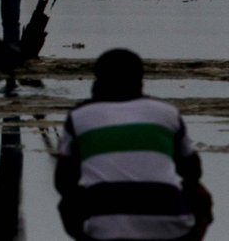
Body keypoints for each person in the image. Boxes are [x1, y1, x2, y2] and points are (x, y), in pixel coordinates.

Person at [56, 48, 213, 241]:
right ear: (140, 80)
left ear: (98, 80)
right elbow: (192, 171)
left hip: (105, 229)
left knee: (68, 201)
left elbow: (63, 181)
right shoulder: (167, 112)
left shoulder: (79, 115)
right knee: (198, 192)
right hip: (171, 227)